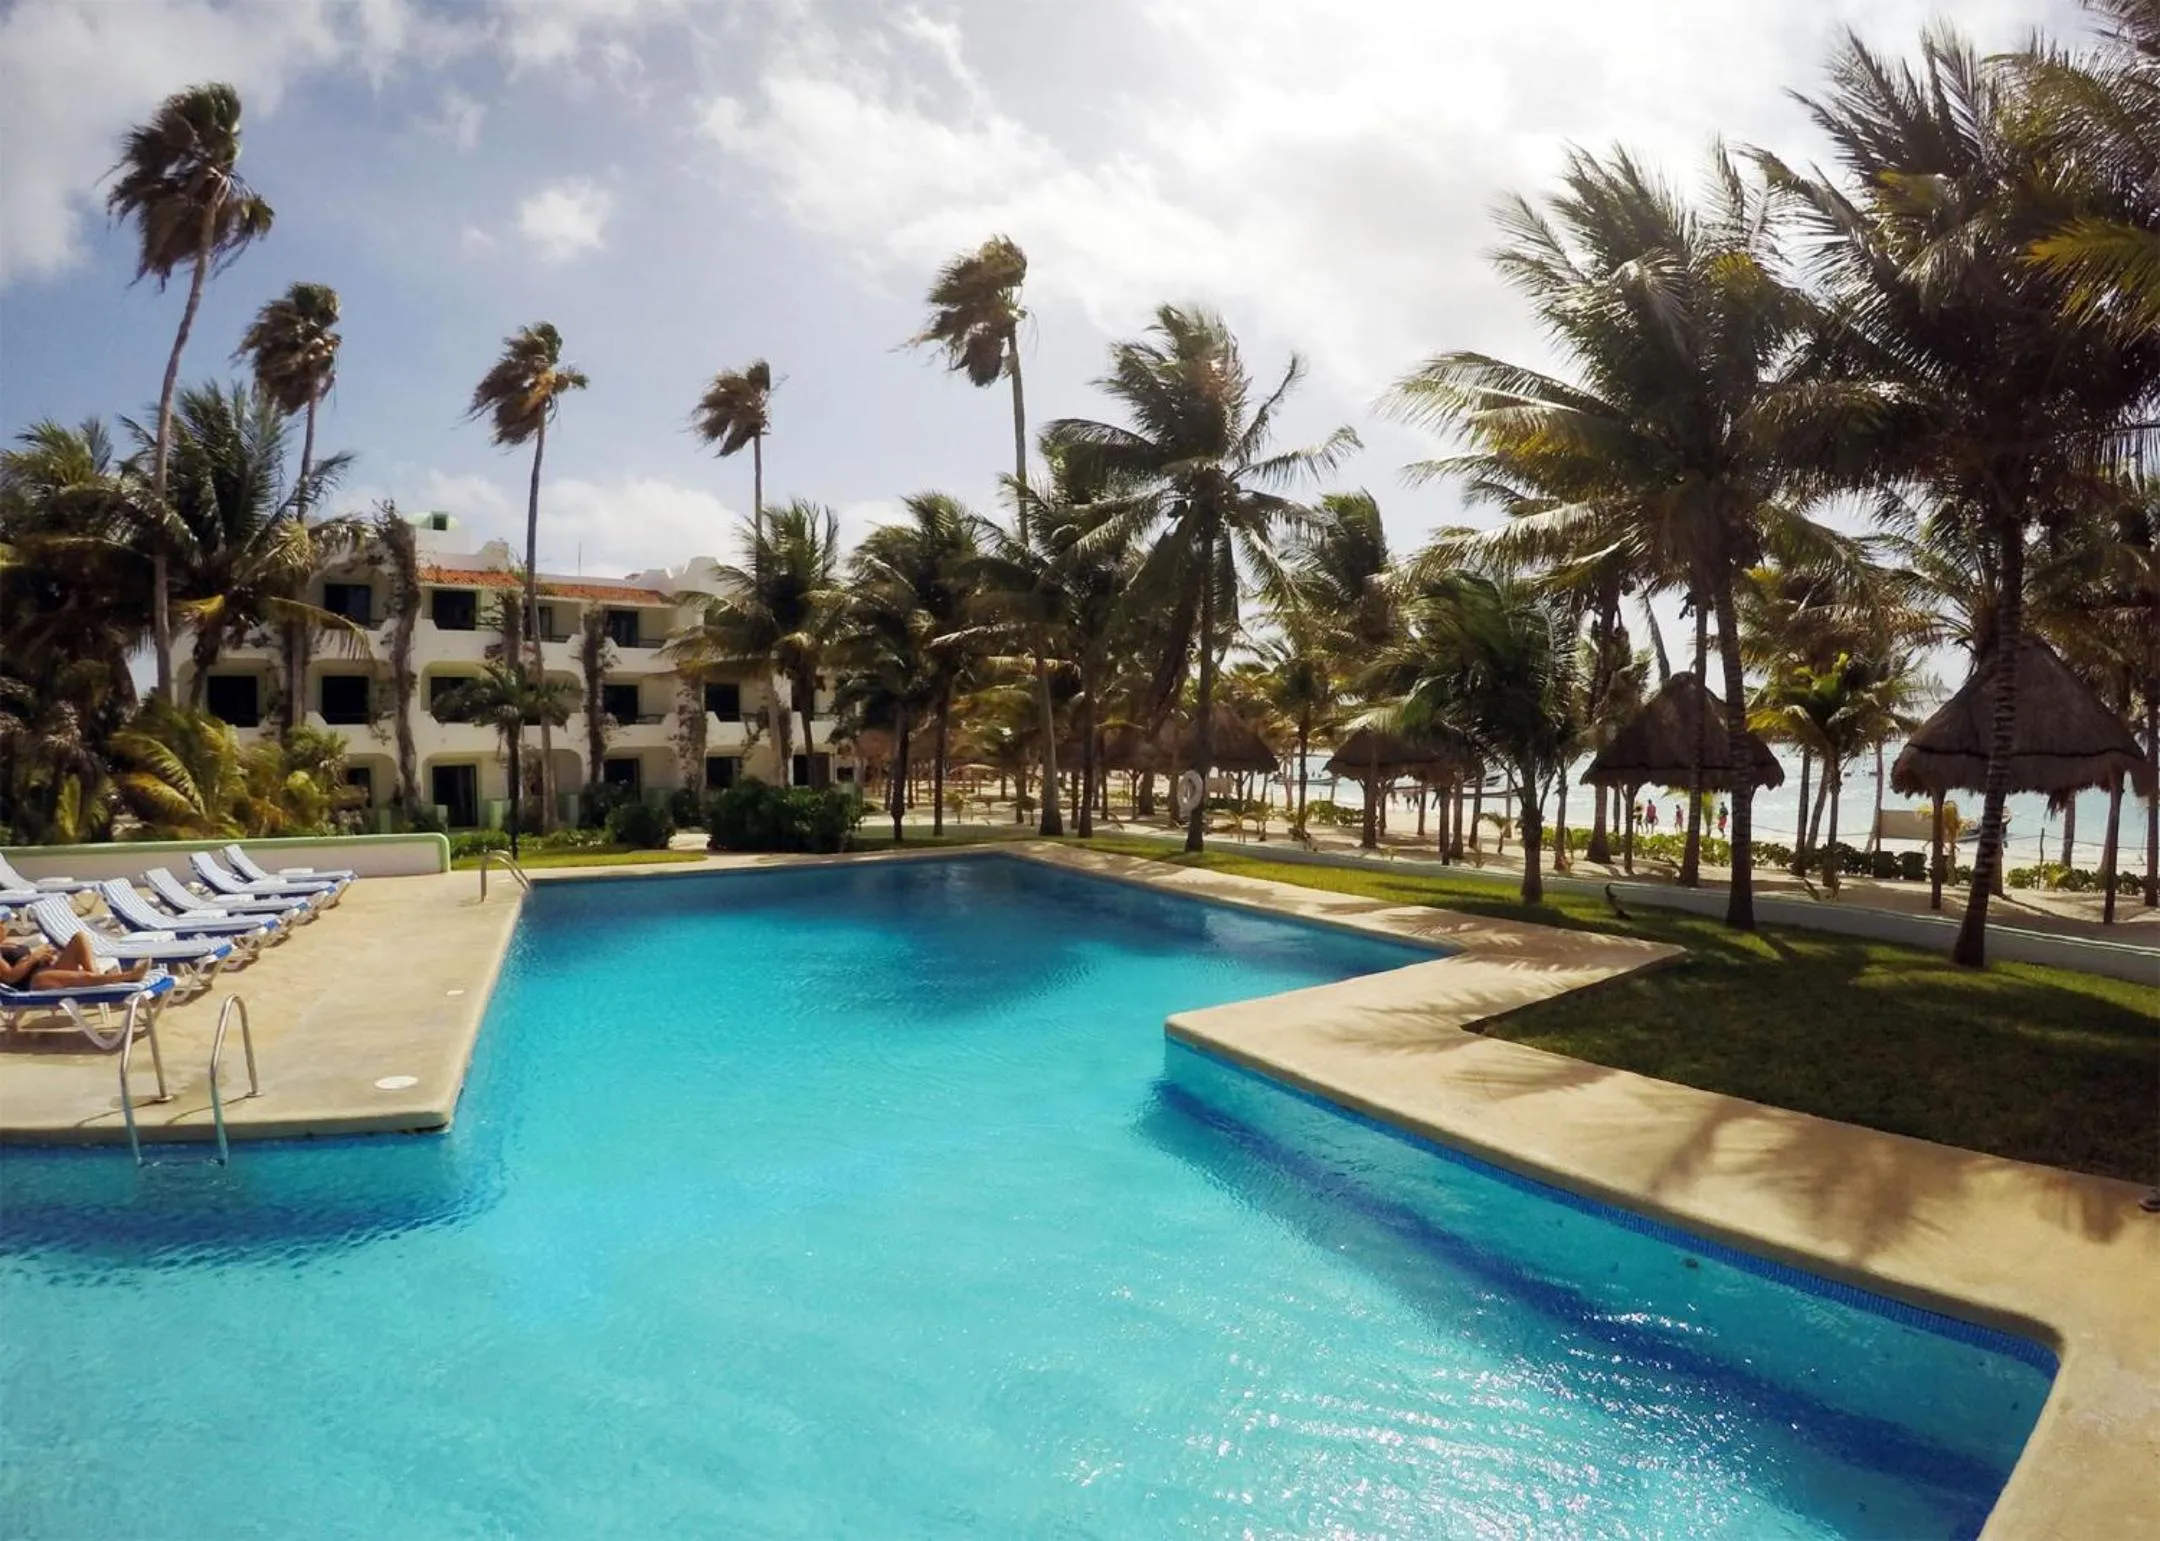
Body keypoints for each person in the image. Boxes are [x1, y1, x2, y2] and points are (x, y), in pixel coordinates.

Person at [0, 936, 149, 991]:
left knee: (80, 938)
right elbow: (10, 977)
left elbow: (24, 960)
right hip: (33, 981)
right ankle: (130, 976)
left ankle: (97, 979)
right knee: (83, 976)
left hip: (44, 969)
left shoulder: (8, 943)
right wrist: (34, 957)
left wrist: (44, 957)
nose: (3, 927)